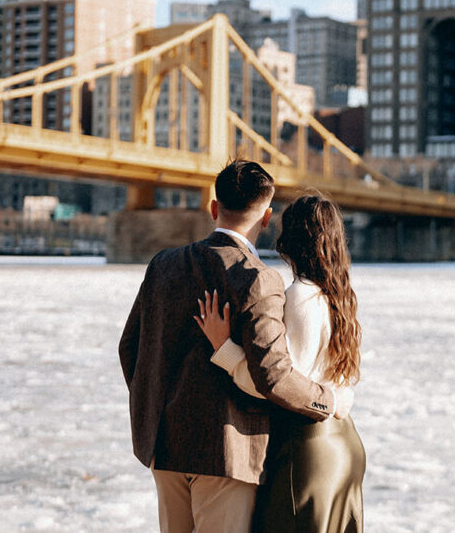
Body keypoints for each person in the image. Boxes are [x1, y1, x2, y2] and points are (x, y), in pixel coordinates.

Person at [119, 161, 354, 533]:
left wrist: (156, 415)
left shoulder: (162, 264)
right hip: (228, 453)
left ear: (214, 207)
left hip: (164, 449)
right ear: (266, 217)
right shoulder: (260, 280)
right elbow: (273, 377)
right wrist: (329, 400)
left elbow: (130, 348)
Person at [195, 193, 365, 533]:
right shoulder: (338, 294)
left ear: (290, 239)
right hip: (343, 443)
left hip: (307, 448)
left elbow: (278, 384)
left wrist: (223, 348)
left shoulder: (299, 296)